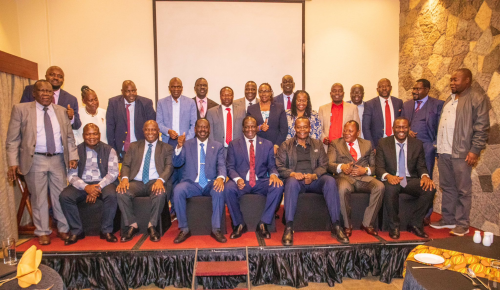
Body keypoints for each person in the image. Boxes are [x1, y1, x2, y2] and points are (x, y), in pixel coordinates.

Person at [7, 80, 78, 245]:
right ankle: (43, 231)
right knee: (38, 196)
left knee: (60, 195)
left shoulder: (61, 111)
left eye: (49, 91)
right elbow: (12, 139)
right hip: (35, 159)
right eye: (42, 91)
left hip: (58, 159)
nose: (46, 94)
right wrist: (12, 162)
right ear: (34, 93)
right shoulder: (21, 110)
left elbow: (68, 137)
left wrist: (72, 156)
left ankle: (63, 228)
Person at [431, 68, 490, 236]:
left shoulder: (476, 98)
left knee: (463, 189)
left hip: (462, 153)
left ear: (467, 81)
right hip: (444, 151)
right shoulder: (449, 100)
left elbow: (482, 127)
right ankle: (448, 219)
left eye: (456, 80)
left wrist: (475, 150)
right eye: (451, 80)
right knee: (447, 187)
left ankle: (462, 224)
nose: (452, 82)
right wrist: (438, 149)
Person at [276, 117, 348, 246]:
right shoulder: (286, 145)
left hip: (315, 179)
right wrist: (292, 174)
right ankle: (289, 227)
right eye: (299, 127)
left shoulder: (317, 144)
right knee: (291, 183)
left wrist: (314, 175)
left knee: (330, 181)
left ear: (309, 128)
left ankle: (336, 225)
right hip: (296, 180)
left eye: (305, 127)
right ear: (295, 128)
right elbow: (280, 166)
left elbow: (324, 165)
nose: (302, 129)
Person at [375, 117, 435, 239]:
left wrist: (425, 176)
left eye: (404, 127)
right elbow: (379, 168)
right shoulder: (383, 143)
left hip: (410, 179)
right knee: (390, 189)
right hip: (392, 178)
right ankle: (394, 226)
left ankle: (415, 224)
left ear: (409, 128)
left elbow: (421, 166)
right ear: (393, 129)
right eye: (398, 127)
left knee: (430, 188)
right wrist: (388, 176)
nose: (401, 130)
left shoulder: (417, 144)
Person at [225, 116, 284, 239]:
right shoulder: (234, 144)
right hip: (241, 182)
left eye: (253, 126)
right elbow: (230, 167)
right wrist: (237, 179)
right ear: (243, 128)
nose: (250, 129)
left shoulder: (267, 144)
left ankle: (264, 222)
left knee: (278, 186)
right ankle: (239, 224)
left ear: (257, 128)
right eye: (247, 126)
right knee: (228, 188)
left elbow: (271, 166)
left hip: (260, 181)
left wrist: (273, 175)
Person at [59, 124, 118, 245]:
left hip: (104, 183)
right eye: (88, 134)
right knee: (65, 196)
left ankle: (106, 230)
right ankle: (76, 231)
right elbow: (71, 175)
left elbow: (113, 173)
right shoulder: (75, 151)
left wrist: (97, 187)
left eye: (95, 133)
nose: (92, 137)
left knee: (112, 194)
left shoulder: (109, 150)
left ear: (99, 135)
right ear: (83, 135)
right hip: (82, 184)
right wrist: (86, 187)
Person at [172, 119, 228, 243]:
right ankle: (184, 228)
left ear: (209, 129)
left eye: (205, 127)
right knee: (178, 190)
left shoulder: (217, 146)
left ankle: (216, 229)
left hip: (210, 183)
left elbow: (222, 165)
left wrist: (220, 178)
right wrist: (179, 147)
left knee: (219, 190)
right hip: (191, 183)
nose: (202, 130)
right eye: (200, 127)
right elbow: (176, 163)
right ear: (195, 129)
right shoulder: (186, 145)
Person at [116, 121, 173, 243]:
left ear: (158, 131)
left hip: (155, 181)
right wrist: (124, 179)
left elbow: (169, 167)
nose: (150, 132)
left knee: (160, 193)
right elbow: (126, 164)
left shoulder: (166, 148)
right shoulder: (134, 146)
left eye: (153, 130)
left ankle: (152, 226)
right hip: (137, 181)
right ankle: (132, 225)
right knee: (121, 192)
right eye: (147, 130)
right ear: (143, 131)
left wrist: (160, 180)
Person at [327, 121, 384, 236]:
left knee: (380, 186)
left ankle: (367, 223)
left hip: (363, 178)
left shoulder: (367, 144)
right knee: (342, 189)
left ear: (358, 133)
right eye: (345, 130)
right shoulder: (335, 144)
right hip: (344, 178)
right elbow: (329, 164)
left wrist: (365, 170)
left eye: (350, 131)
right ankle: (347, 226)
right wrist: (341, 167)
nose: (346, 133)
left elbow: (375, 167)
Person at [401, 79, 444, 179]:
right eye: (414, 88)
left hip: (427, 146)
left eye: (418, 89)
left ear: (427, 90)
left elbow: (441, 126)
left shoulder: (437, 104)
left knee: (426, 176)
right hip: (409, 146)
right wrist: (407, 131)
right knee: (409, 175)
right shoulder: (406, 105)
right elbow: (401, 123)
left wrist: (434, 145)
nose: (414, 91)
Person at [106, 80, 156, 161]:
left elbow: (153, 127)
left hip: (142, 148)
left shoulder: (146, 103)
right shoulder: (113, 103)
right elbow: (110, 128)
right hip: (121, 150)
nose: (131, 94)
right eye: (128, 91)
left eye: (133, 91)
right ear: (122, 92)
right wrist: (113, 151)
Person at [247, 83, 288, 154]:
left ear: (270, 92)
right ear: (258, 93)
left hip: (275, 148)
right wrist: (260, 128)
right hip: (257, 148)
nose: (263, 94)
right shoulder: (251, 109)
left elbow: (284, 130)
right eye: (261, 91)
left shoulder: (279, 107)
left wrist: (276, 145)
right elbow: (247, 129)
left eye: (266, 91)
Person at [157, 77, 197, 147]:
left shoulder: (190, 102)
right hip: (167, 141)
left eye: (178, 87)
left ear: (182, 88)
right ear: (169, 88)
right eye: (173, 87)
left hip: (186, 141)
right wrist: (168, 131)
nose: (176, 89)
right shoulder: (161, 103)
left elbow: (194, 124)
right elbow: (158, 123)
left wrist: (186, 139)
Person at [362, 78, 403, 148]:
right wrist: (371, 146)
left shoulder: (398, 102)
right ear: (377, 89)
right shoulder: (370, 104)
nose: (384, 88)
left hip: (396, 142)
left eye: (387, 86)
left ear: (391, 88)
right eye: (381, 86)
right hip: (378, 144)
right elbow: (366, 127)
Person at [206, 87, 246, 155]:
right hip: (218, 150)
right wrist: (213, 149)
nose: (226, 97)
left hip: (238, 150)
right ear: (220, 96)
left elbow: (244, 131)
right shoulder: (211, 112)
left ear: (233, 96)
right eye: (224, 95)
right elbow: (210, 133)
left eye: (229, 95)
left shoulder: (242, 111)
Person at [319, 83, 360, 148]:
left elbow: (357, 129)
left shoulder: (353, 108)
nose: (337, 93)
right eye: (334, 91)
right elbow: (319, 128)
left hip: (346, 147)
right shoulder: (322, 109)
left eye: (340, 91)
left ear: (343, 93)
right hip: (328, 147)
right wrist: (323, 138)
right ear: (330, 93)